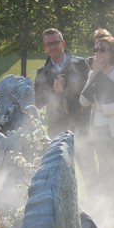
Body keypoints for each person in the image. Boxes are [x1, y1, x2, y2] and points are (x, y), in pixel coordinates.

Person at [79, 36, 114, 219]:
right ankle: (105, 214)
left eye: (102, 49)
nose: (98, 53)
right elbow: (83, 101)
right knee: (103, 171)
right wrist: (93, 74)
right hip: (99, 131)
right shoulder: (95, 74)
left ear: (112, 53)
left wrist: (104, 108)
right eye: (96, 49)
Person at [34, 28, 95, 189]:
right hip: (57, 129)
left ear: (63, 43)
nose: (53, 47)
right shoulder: (42, 72)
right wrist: (54, 92)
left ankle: (97, 207)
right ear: (45, 47)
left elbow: (90, 91)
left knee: (89, 171)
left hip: (81, 126)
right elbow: (38, 102)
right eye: (49, 44)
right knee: (60, 172)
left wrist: (65, 89)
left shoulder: (81, 64)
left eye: (56, 42)